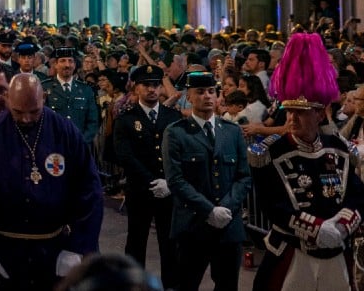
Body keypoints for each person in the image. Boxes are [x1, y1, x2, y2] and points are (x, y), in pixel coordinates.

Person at [249, 33, 364, 291]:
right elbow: (272, 204)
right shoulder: (271, 152)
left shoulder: (340, 149)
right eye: (288, 111)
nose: (292, 118)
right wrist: (317, 228)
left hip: (336, 251)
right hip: (293, 252)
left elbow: (357, 196)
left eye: (300, 112)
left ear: (319, 113)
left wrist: (342, 226)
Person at [0, 73, 104, 289]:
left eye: (34, 112)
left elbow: (90, 191)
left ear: (44, 99)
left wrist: (77, 247)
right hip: (4, 249)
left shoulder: (65, 131)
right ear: (8, 100)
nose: (26, 119)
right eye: (18, 112)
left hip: (54, 249)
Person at [163, 71, 252, 291]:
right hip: (193, 225)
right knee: (186, 283)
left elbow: (243, 176)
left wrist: (225, 208)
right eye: (200, 92)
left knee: (228, 284)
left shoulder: (231, 132)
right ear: (189, 97)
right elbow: (176, 180)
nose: (207, 96)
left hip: (228, 226)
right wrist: (209, 210)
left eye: (212, 91)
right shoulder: (176, 133)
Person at [112, 64, 181, 290]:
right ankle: (134, 284)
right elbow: (125, 156)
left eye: (155, 85)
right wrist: (152, 181)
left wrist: (169, 181)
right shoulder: (126, 118)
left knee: (169, 242)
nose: (152, 90)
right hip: (141, 189)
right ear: (136, 87)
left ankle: (170, 284)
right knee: (136, 241)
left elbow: (179, 153)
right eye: (146, 85)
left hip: (168, 189)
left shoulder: (172, 117)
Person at [44, 47, 101, 144]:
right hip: (54, 146)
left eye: (71, 61)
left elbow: (93, 121)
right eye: (62, 61)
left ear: (75, 65)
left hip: (80, 145)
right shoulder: (44, 88)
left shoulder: (86, 90)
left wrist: (81, 142)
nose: (67, 65)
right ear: (56, 65)